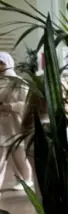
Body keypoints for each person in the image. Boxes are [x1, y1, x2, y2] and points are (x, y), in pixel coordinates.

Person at [0, 51, 33, 195]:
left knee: (19, 156)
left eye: (1, 63)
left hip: (16, 126)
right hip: (2, 126)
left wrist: (10, 107)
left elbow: (26, 104)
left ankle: (26, 180)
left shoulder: (19, 83)